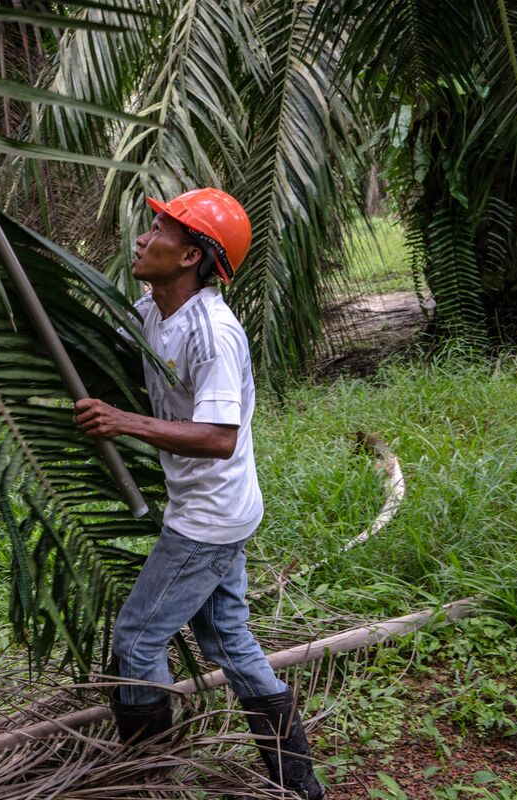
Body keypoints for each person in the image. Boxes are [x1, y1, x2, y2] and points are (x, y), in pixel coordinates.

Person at [74, 188, 324, 799]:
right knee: (228, 638)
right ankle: (300, 785)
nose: (142, 237)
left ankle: (145, 779)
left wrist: (123, 421)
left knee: (137, 637)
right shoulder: (154, 311)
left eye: (159, 230)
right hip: (219, 507)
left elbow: (217, 437)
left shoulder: (213, 334)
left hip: (207, 518)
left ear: (190, 257)